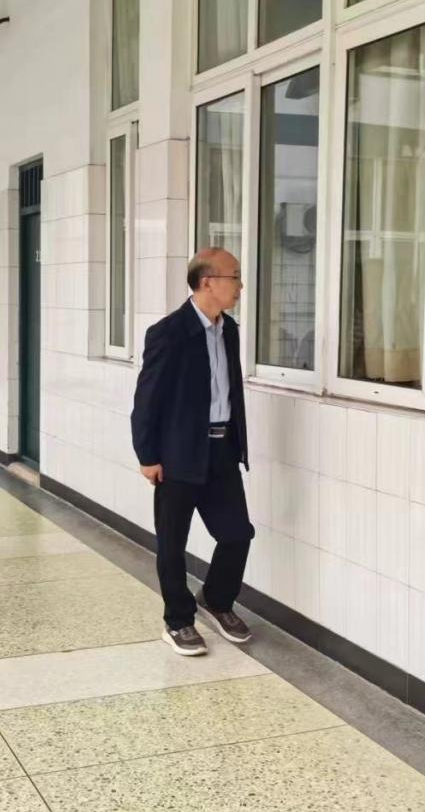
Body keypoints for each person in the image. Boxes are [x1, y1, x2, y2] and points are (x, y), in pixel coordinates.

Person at [130, 247, 255, 657]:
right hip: (178, 454)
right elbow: (147, 399)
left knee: (237, 534)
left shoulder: (229, 330)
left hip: (222, 451)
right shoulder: (168, 333)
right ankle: (178, 621)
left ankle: (216, 601)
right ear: (207, 282)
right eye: (234, 277)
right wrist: (147, 455)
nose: (240, 285)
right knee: (172, 542)